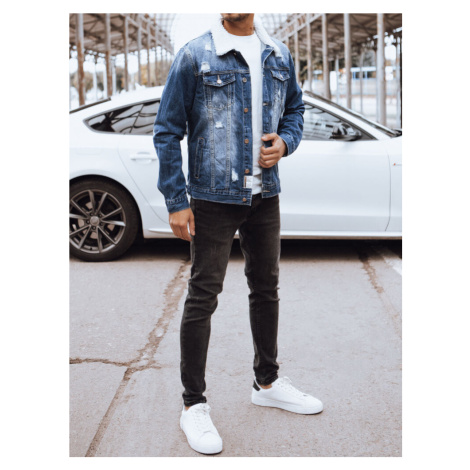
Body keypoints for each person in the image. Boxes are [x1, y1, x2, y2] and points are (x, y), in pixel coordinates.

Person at [153, 13, 323, 455]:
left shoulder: (278, 54)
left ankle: (267, 383)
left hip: (265, 195)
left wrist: (285, 142)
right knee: (203, 295)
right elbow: (167, 130)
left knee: (266, 288)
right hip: (212, 197)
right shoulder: (195, 55)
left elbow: (296, 110)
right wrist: (176, 199)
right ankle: (193, 404)